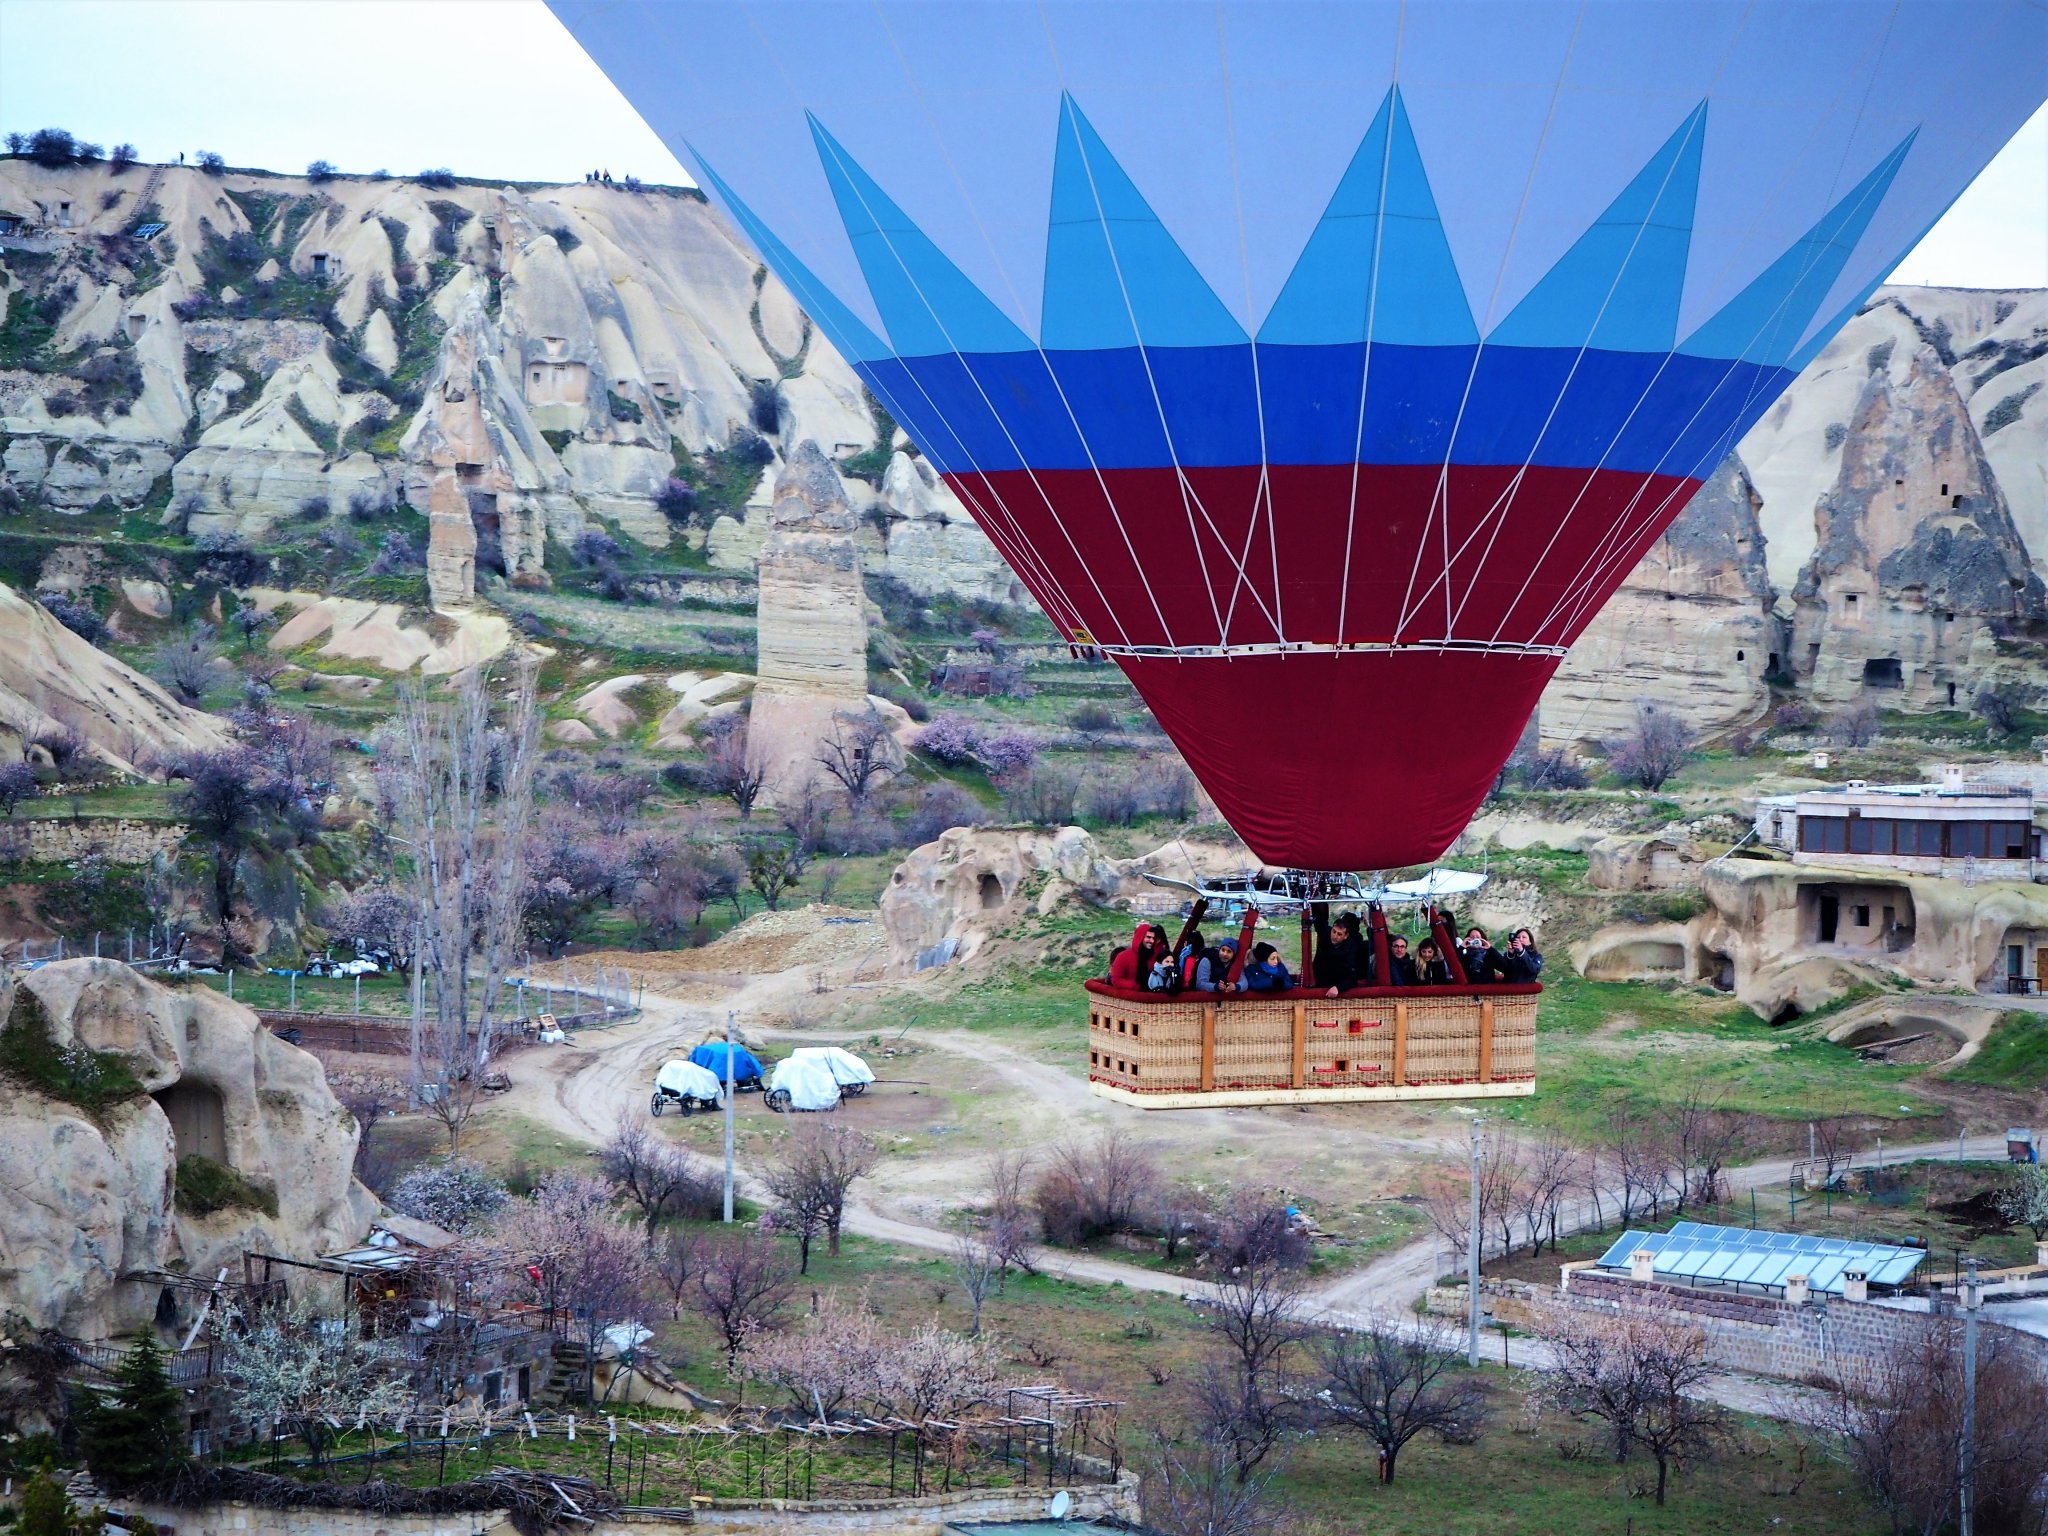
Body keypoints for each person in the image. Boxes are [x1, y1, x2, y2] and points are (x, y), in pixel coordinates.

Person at [1312, 907, 1373, 995]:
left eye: (1339, 934)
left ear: (1346, 936)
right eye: (1334, 931)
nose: (1335, 936)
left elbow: (1353, 979)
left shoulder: (1351, 949)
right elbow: (1319, 920)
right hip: (1318, 980)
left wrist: (1338, 988)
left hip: (1335, 983)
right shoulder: (1326, 933)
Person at [1108, 924, 1167, 990]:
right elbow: (1116, 979)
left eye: (1153, 938)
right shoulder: (1123, 956)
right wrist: (1135, 986)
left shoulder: (1155, 957)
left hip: (1150, 994)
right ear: (1140, 937)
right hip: (1131, 994)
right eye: (1148, 937)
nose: (1152, 941)